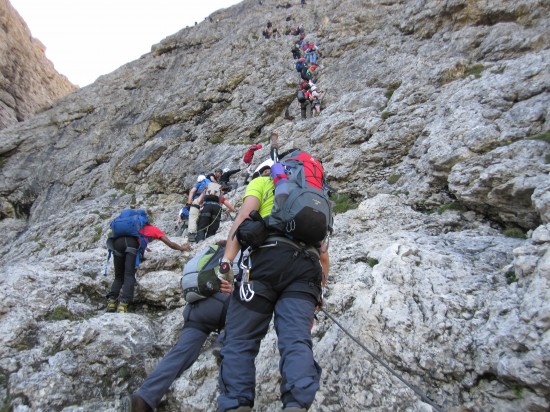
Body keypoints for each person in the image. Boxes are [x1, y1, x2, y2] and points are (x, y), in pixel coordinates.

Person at [216, 156, 330, 412]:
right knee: (296, 340)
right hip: (306, 269)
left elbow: (243, 218)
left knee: (240, 340)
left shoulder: (262, 183)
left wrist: (227, 261)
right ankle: (297, 404)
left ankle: (236, 405)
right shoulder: (314, 195)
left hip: (266, 262)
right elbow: (323, 253)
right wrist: (319, 291)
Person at [120, 241, 236, 412]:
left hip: (194, 309)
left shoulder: (209, 254)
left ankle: (142, 399)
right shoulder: (239, 254)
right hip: (220, 306)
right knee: (250, 304)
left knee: (180, 353)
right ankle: (223, 340)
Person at [106, 223, 191, 313]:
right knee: (129, 274)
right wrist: (182, 248)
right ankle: (123, 305)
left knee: (118, 276)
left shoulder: (131, 227)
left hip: (117, 243)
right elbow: (170, 244)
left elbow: (139, 238)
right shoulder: (152, 229)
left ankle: (111, 302)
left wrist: (144, 247)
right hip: (131, 245)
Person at [187, 175, 211, 242]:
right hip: (206, 203)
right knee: (200, 219)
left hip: (197, 202)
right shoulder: (209, 184)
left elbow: (192, 191)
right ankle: (201, 235)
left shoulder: (199, 184)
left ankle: (191, 235)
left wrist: (189, 203)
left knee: (193, 217)